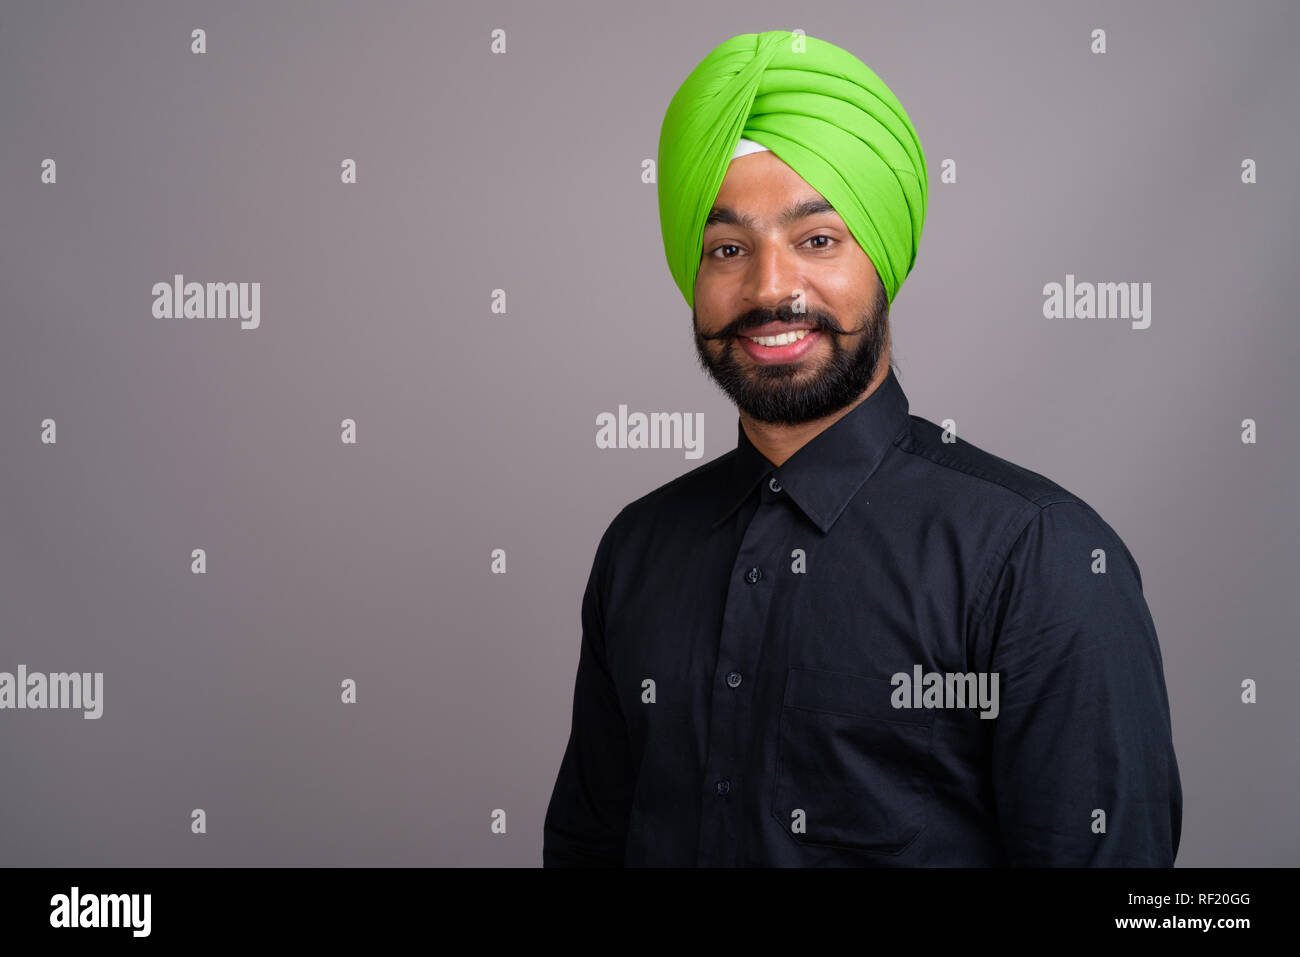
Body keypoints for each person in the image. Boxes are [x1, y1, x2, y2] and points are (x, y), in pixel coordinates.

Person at [543, 29, 1181, 866]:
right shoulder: (639, 547)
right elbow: (589, 844)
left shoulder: (1040, 555)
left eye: (818, 240)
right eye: (727, 249)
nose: (771, 289)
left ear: (882, 258)